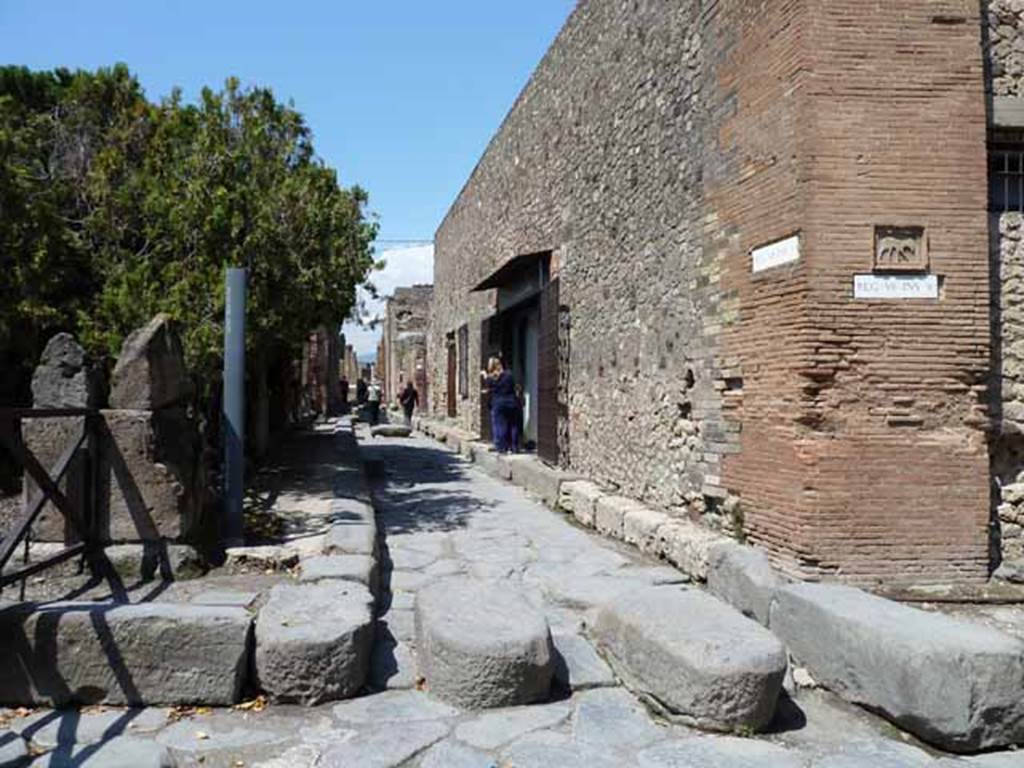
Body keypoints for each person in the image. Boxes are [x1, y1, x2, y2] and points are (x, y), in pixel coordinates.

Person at [481, 357, 519, 453]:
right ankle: (514, 447)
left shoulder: (491, 378)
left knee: (500, 425)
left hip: (498, 403)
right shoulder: (509, 374)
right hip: (511, 402)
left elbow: (489, 385)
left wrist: (485, 375)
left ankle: (501, 447)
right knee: (513, 425)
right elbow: (514, 386)